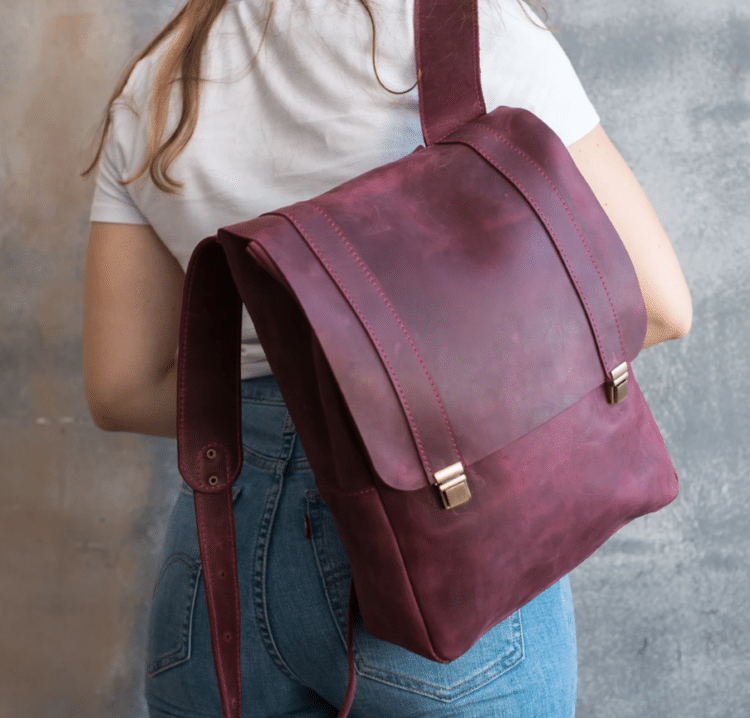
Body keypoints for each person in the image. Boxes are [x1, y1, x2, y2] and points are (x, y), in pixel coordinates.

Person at [81, 0, 692, 716]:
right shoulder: (473, 31)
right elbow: (658, 305)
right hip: (447, 544)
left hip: (222, 577)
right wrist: (393, 412)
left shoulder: (159, 81)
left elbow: (123, 387)